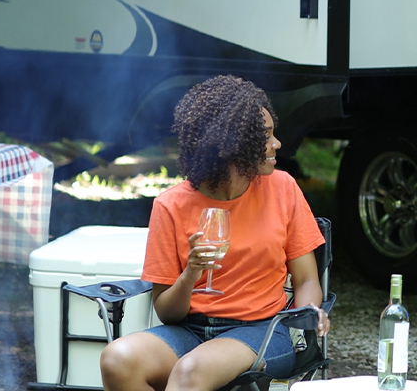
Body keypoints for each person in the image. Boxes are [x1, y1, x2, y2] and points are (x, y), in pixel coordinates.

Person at [100, 75, 330, 391]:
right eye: (265, 136)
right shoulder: (171, 205)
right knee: (117, 360)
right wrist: (190, 274)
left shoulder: (283, 189)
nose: (277, 144)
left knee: (191, 372)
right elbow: (167, 312)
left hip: (263, 330)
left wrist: (309, 314)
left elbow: (306, 280)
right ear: (232, 146)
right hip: (191, 330)